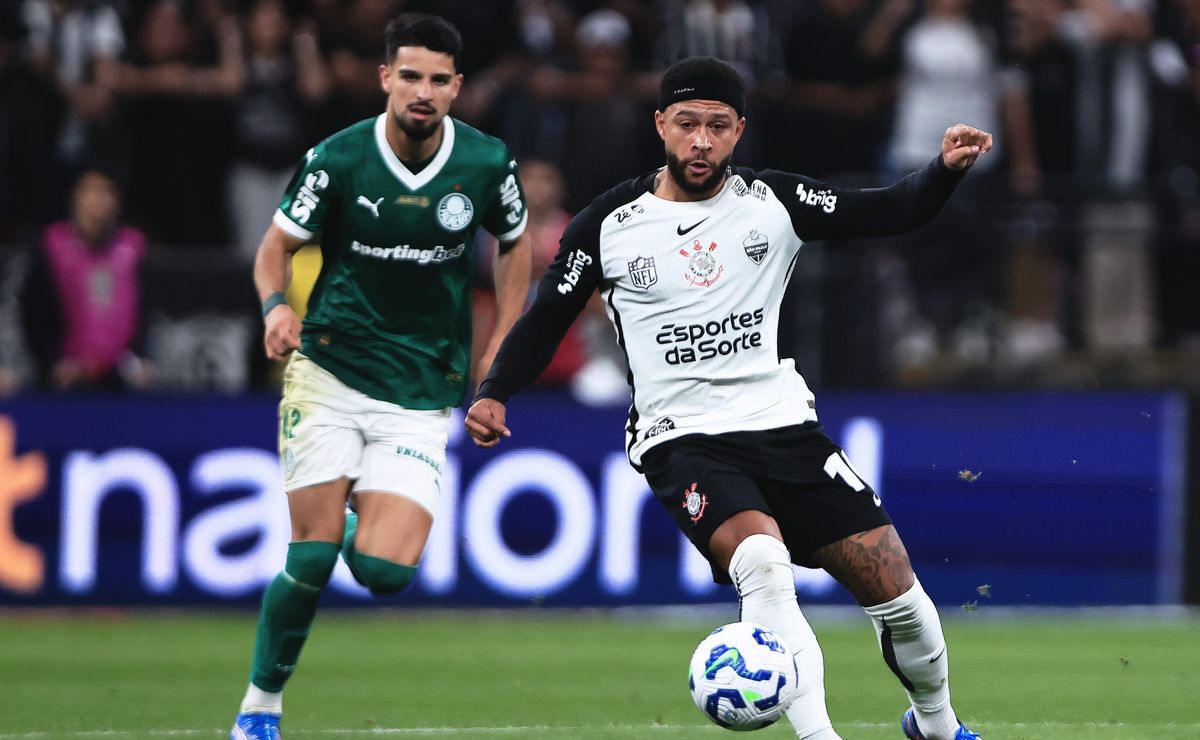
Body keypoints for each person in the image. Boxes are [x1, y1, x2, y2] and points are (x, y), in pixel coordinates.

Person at [466, 56, 987, 740]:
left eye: (717, 125)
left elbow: (886, 210)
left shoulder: (774, 203)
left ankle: (938, 727)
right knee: (765, 568)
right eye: (687, 124)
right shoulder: (608, 224)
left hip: (783, 426)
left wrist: (942, 170)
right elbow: (546, 319)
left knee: (900, 595)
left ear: (739, 130)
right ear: (661, 126)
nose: (701, 140)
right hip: (682, 439)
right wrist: (497, 391)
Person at [231, 13, 531, 740]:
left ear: (457, 87)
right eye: (410, 76)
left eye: (437, 79)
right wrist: (275, 307)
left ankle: (355, 515)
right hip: (330, 371)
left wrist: (500, 353)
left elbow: (516, 247)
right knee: (309, 554)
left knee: (384, 575)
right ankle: (258, 710)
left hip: (425, 389)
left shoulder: (488, 163)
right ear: (385, 79)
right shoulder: (336, 158)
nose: (422, 92)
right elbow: (274, 248)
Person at [20, 166, 153, 392]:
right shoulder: (50, 246)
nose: (98, 201)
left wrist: (140, 358)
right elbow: (34, 314)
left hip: (121, 376)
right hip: (63, 378)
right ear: (75, 197)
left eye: (106, 192)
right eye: (90, 191)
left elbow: (146, 312)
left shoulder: (133, 248)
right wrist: (50, 362)